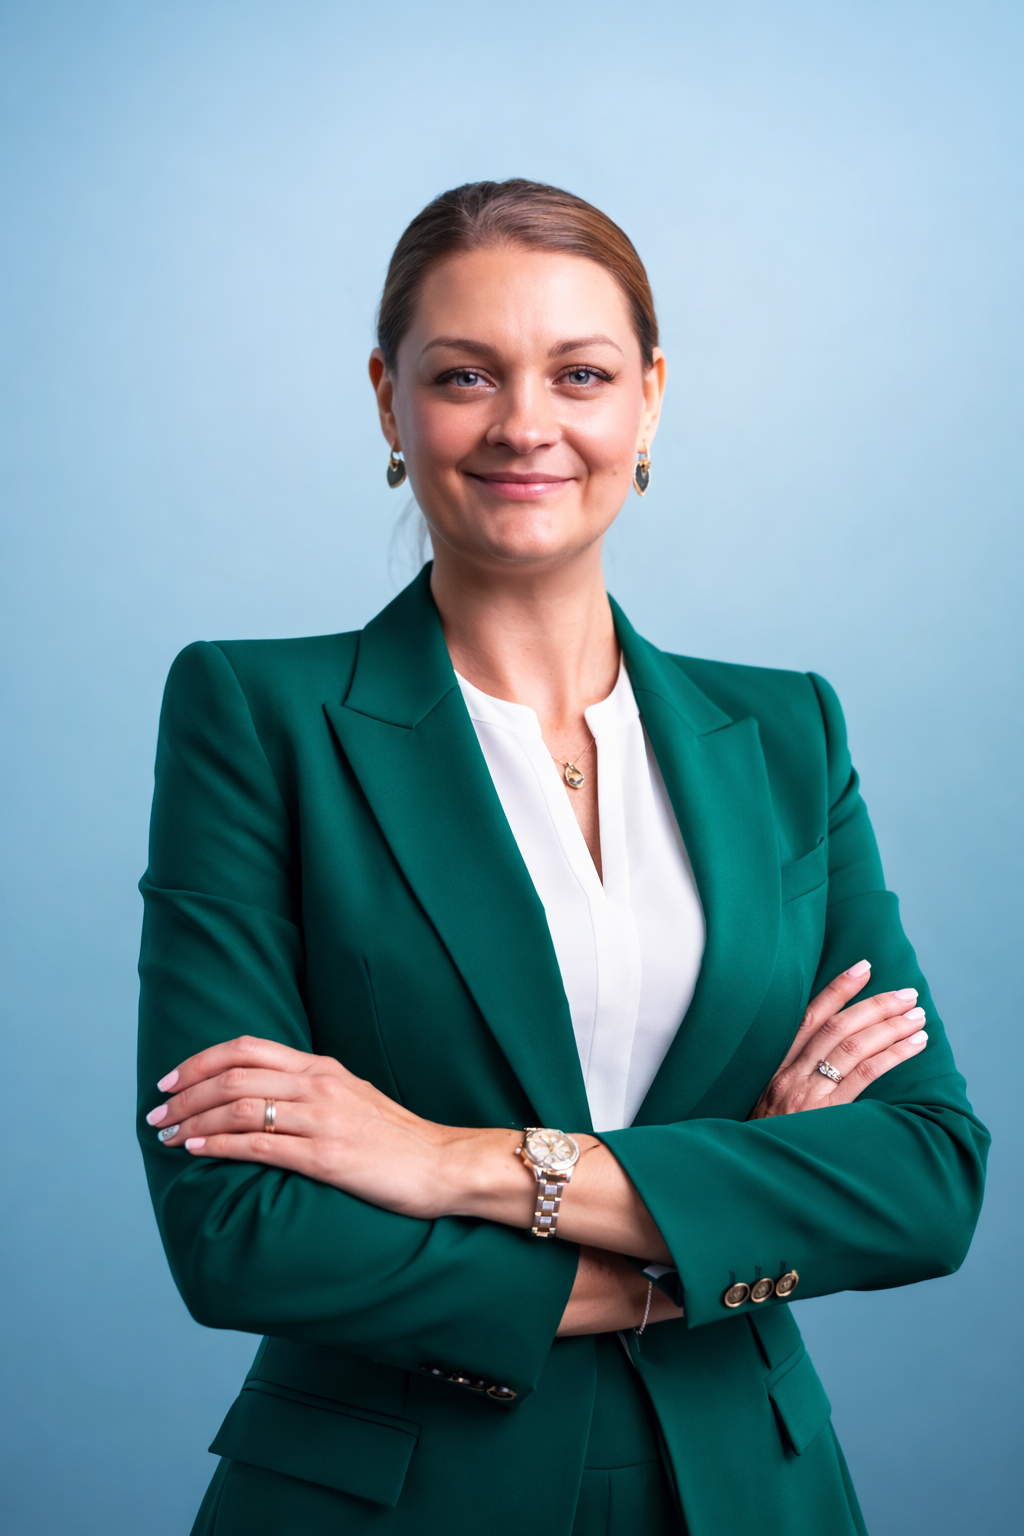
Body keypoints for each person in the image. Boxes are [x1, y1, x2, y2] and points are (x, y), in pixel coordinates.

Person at [137, 179, 988, 1536]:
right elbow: (237, 1232)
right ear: (389, 401)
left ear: (649, 401)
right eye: (465, 375)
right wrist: (717, 1231)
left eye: (579, 374)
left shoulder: (787, 733)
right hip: (391, 1499)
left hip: (754, 1490)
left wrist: (448, 1161)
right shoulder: (255, 714)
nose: (525, 425)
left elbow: (924, 1181)